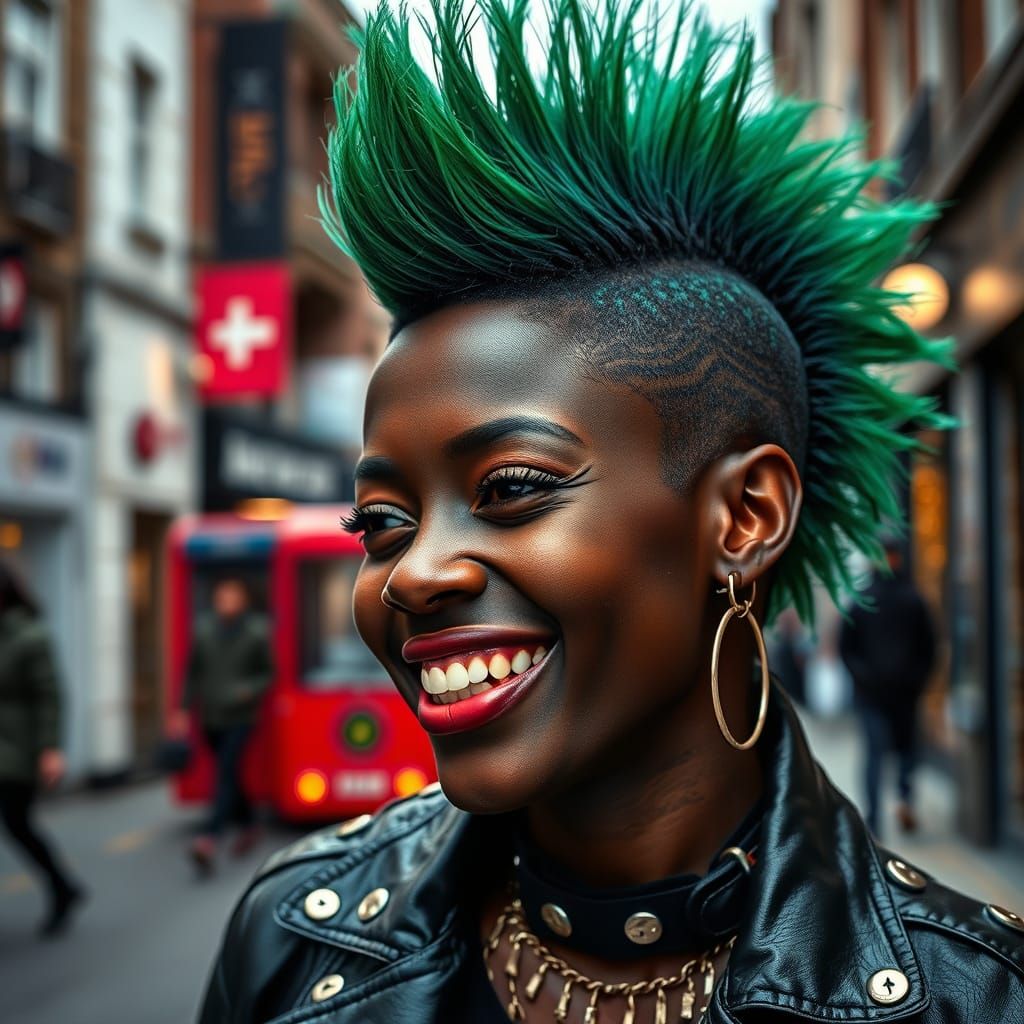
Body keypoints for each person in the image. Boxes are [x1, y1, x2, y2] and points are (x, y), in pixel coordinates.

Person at [198, 3, 1023, 1021]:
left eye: (510, 487)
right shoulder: (288, 941)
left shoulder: (979, 999)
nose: (411, 573)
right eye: (381, 523)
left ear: (744, 517)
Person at [0, 560, 84, 937]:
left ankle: (60, 886)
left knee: (17, 824)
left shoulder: (30, 636)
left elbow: (49, 695)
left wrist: (51, 749)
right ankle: (63, 886)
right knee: (18, 825)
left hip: (15, 750)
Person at [173, 575, 273, 873]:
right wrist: (182, 710)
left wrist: (247, 691)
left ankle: (209, 838)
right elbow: (192, 672)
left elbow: (267, 673)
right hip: (211, 716)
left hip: (242, 717)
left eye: (233, 598)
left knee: (225, 773)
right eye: (222, 598)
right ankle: (250, 823)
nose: (227, 603)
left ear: (243, 602)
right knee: (229, 774)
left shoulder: (256, 633)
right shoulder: (204, 631)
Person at [840, 537, 937, 837]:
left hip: (900, 694)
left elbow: (928, 648)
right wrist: (865, 679)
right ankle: (876, 817)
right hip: (876, 695)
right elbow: (847, 648)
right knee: (880, 754)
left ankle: (901, 804)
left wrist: (915, 681)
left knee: (902, 754)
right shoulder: (867, 600)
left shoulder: (909, 599)